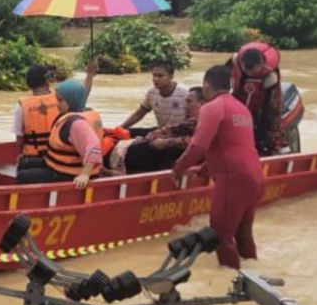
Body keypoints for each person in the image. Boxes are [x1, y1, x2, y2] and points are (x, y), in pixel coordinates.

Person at [173, 65, 264, 270]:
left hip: (234, 179)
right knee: (243, 233)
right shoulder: (242, 108)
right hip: (255, 177)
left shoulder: (211, 107)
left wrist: (178, 170)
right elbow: (233, 146)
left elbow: (198, 146)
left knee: (220, 235)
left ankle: (231, 283)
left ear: (206, 85)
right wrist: (205, 169)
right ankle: (254, 277)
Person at [16, 80, 103, 189]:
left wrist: (85, 174)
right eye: (57, 99)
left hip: (68, 173)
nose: (57, 103)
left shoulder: (77, 124)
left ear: (71, 101)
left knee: (23, 177)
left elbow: (94, 147)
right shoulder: (72, 115)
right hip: (59, 165)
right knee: (24, 163)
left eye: (60, 100)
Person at [12, 60, 97, 170]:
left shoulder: (21, 105)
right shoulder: (61, 99)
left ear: (29, 84)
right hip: (58, 157)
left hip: (33, 157)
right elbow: (82, 95)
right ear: (47, 81)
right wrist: (90, 75)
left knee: (21, 164)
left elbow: (19, 141)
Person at [121, 86, 204, 174]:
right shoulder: (190, 120)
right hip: (169, 141)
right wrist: (157, 134)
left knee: (137, 149)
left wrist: (167, 142)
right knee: (136, 133)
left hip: (173, 154)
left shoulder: (202, 121)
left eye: (189, 101)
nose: (185, 105)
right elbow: (174, 129)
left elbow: (196, 142)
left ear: (201, 103)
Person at [228, 41, 284, 155]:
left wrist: (259, 133)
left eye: (252, 69)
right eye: (245, 69)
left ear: (261, 64)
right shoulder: (235, 59)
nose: (248, 72)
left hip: (263, 101)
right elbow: (221, 76)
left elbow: (268, 108)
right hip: (240, 96)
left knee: (271, 126)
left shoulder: (270, 77)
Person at [119, 61, 188, 138]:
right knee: (126, 132)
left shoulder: (185, 93)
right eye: (154, 75)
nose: (155, 79)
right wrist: (120, 128)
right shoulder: (152, 92)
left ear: (171, 77)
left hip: (179, 135)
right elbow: (139, 114)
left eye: (160, 76)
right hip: (160, 131)